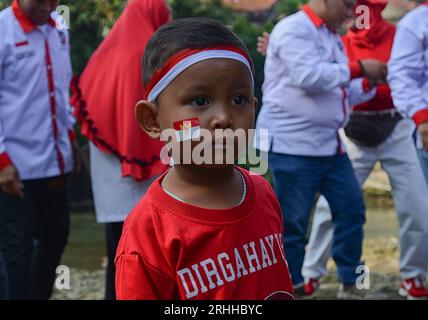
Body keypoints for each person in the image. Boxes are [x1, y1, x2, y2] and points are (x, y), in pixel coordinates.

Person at [115, 17, 294, 300]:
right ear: (152, 119)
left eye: (238, 100)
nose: (223, 119)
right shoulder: (149, 232)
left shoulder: (262, 192)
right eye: (200, 101)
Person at [254, 0, 388, 298]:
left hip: (330, 145)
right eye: (347, 4)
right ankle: (292, 288)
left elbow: (340, 89)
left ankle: (351, 282)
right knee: (293, 223)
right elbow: (310, 78)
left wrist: (367, 81)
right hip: (293, 146)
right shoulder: (292, 29)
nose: (352, 12)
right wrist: (359, 67)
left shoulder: (330, 35)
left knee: (352, 209)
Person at [302, 0, 428, 300]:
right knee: (329, 206)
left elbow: (410, 76)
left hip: (397, 125)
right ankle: (311, 272)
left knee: (417, 205)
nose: (358, 17)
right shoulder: (337, 40)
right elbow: (313, 72)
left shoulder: (401, 34)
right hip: (353, 129)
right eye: (351, 8)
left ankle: (412, 274)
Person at [71, 0, 170, 300]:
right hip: (138, 160)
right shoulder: (147, 55)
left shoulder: (106, 50)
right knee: (143, 244)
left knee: (116, 242)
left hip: (106, 160)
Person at [0, 0, 79, 299]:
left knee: (56, 237)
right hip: (12, 165)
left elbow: (62, 88)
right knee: (17, 250)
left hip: (55, 158)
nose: (48, 6)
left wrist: (70, 138)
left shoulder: (60, 28)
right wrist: (1, 160)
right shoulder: (2, 30)